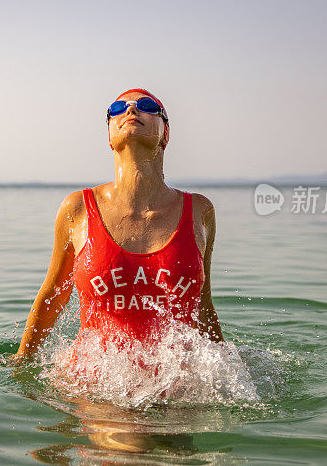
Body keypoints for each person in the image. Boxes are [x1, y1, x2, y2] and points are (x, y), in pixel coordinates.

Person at [12, 88, 223, 363]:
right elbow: (52, 297)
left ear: (166, 134)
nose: (131, 110)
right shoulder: (77, 208)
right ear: (110, 136)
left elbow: (203, 307)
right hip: (93, 390)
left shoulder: (199, 211)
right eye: (117, 109)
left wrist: (231, 371)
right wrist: (21, 365)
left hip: (180, 389)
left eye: (146, 105)